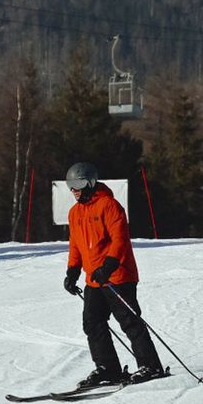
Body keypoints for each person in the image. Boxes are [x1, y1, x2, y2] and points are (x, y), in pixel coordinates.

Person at [63, 162, 166, 389]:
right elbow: (76, 246)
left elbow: (119, 240)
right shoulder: (74, 213)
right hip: (94, 280)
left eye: (78, 185)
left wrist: (108, 267)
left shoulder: (110, 206)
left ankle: (151, 366)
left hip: (118, 276)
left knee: (129, 321)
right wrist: (72, 272)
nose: (74, 190)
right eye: (71, 186)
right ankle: (108, 369)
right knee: (93, 323)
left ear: (90, 182)